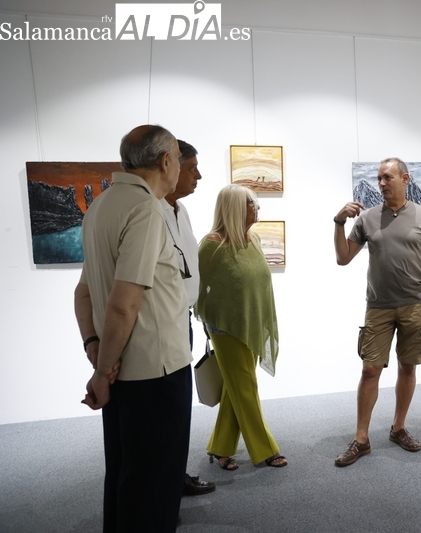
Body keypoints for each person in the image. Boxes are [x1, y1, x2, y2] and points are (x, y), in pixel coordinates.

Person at [73, 124, 192, 532]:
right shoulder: (145, 210)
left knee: (127, 476)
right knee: (155, 487)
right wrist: (102, 372)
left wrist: (95, 347)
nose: (178, 166)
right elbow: (124, 305)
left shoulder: (101, 206)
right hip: (155, 374)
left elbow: (84, 294)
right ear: (164, 161)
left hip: (125, 372)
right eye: (178, 158)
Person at [333, 157, 421, 467]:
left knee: (408, 368)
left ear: (405, 179)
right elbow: (343, 258)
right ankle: (361, 439)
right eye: (379, 178)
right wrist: (339, 222)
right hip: (378, 307)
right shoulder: (368, 218)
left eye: (387, 177)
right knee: (370, 369)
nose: (382, 183)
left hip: (415, 304)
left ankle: (398, 428)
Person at [195, 184, 286, 470]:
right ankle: (266, 448)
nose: (257, 207)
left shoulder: (253, 239)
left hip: (251, 324)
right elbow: (196, 291)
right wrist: (210, 321)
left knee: (235, 388)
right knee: (246, 386)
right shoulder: (211, 245)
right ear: (234, 207)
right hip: (225, 329)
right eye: (251, 203)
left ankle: (220, 448)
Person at [161, 139, 215, 496]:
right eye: (191, 167)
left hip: (184, 321)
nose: (198, 175)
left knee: (179, 408)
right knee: (167, 410)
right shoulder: (152, 213)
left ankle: (174, 477)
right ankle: (164, 484)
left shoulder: (180, 210)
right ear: (170, 166)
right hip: (163, 326)